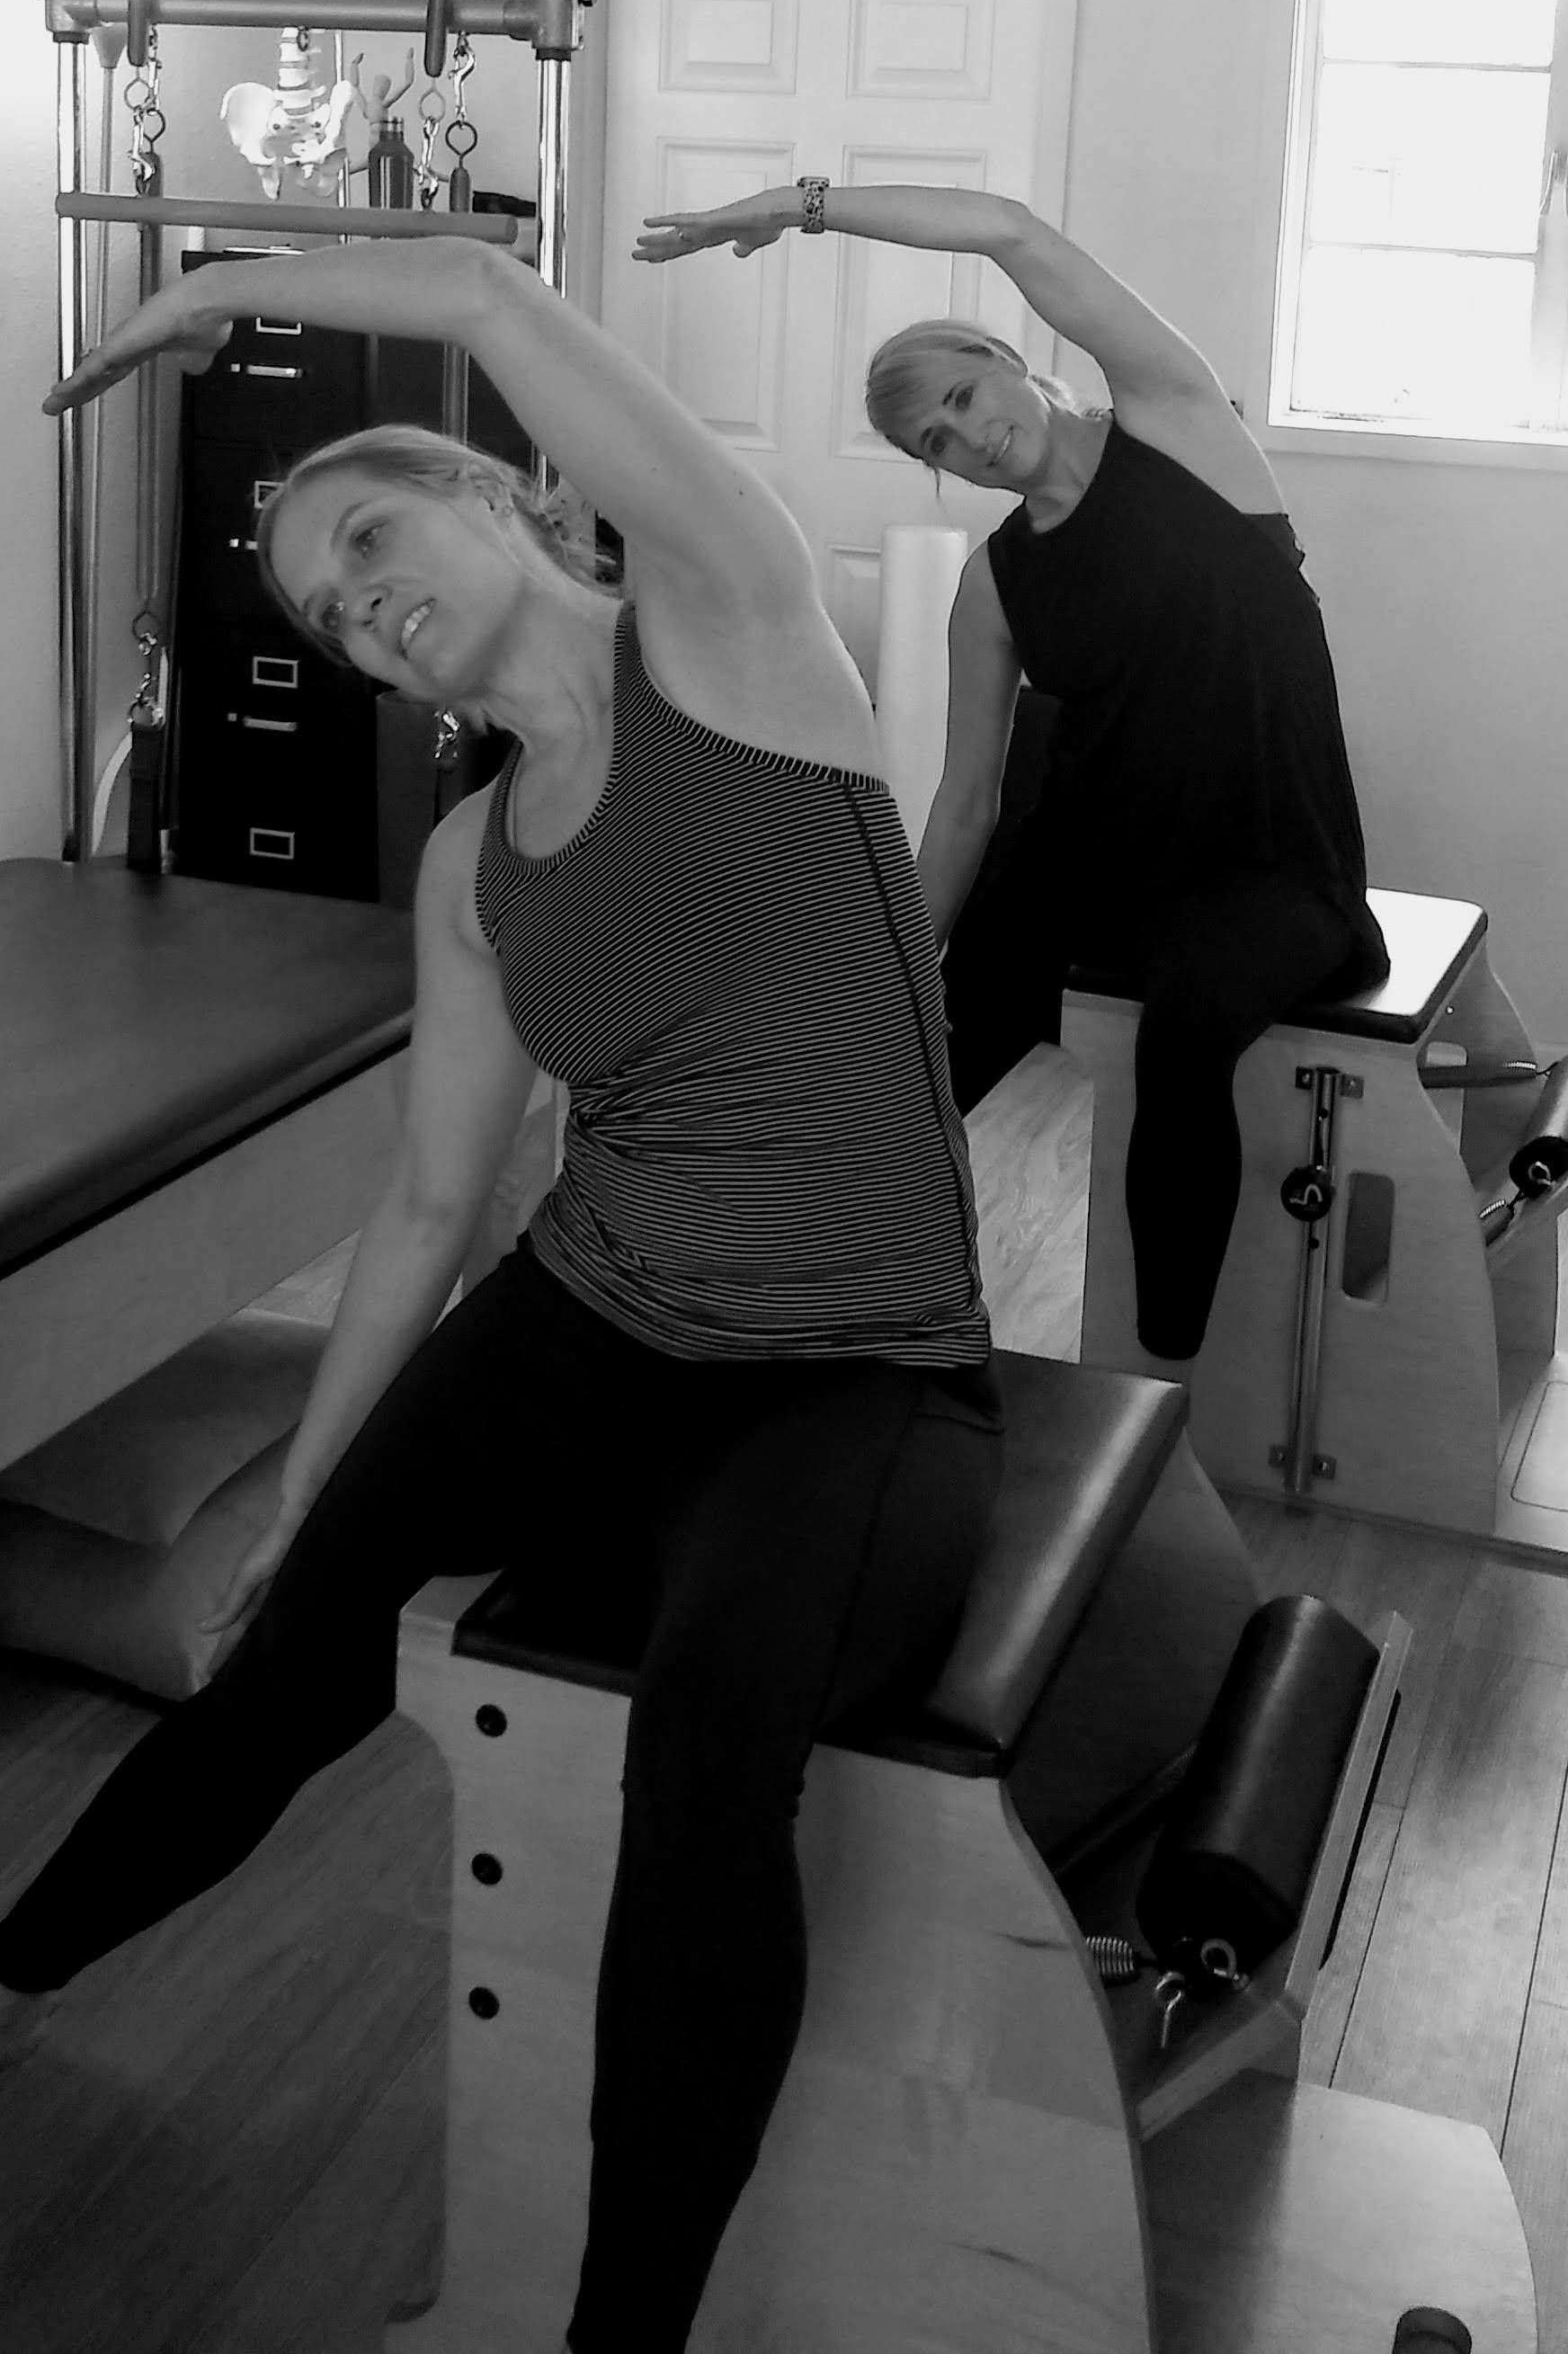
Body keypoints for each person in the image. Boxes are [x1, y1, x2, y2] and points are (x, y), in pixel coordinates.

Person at [2, 236, 1003, 2353]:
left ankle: (615, 2327)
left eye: (372, 535)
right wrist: (312, 1483)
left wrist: (213, 299)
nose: (357, 601)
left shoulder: (734, 637)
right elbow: (434, 1200)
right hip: (587, 1306)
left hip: (848, 1368)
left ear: (506, 498)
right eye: (324, 606)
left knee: (709, 1765)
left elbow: (476, 292)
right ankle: (22, 1962)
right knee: (277, 1654)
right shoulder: (471, 867)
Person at [637, 184, 1389, 1371]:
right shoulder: (995, 584)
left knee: (1185, 1040)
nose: (970, 436)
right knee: (922, 1037)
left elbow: (1011, 231)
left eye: (964, 395)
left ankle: (1158, 1382)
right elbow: (966, 803)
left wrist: (810, 206)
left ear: (1006, 359)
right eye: (935, 440)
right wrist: (900, 963)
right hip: (1092, 855)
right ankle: (783, 1278)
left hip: (1264, 864)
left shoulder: (1181, 427)